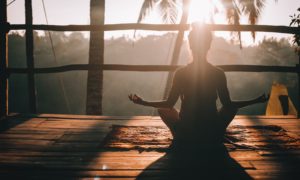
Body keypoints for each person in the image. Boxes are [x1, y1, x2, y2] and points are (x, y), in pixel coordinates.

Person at [129, 23, 268, 149]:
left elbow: (169, 103)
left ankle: (181, 136)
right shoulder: (217, 73)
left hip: (186, 131)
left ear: (190, 45)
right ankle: (215, 134)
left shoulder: (181, 73)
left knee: (164, 110)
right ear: (208, 45)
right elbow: (228, 104)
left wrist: (144, 102)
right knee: (230, 109)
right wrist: (255, 100)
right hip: (211, 131)